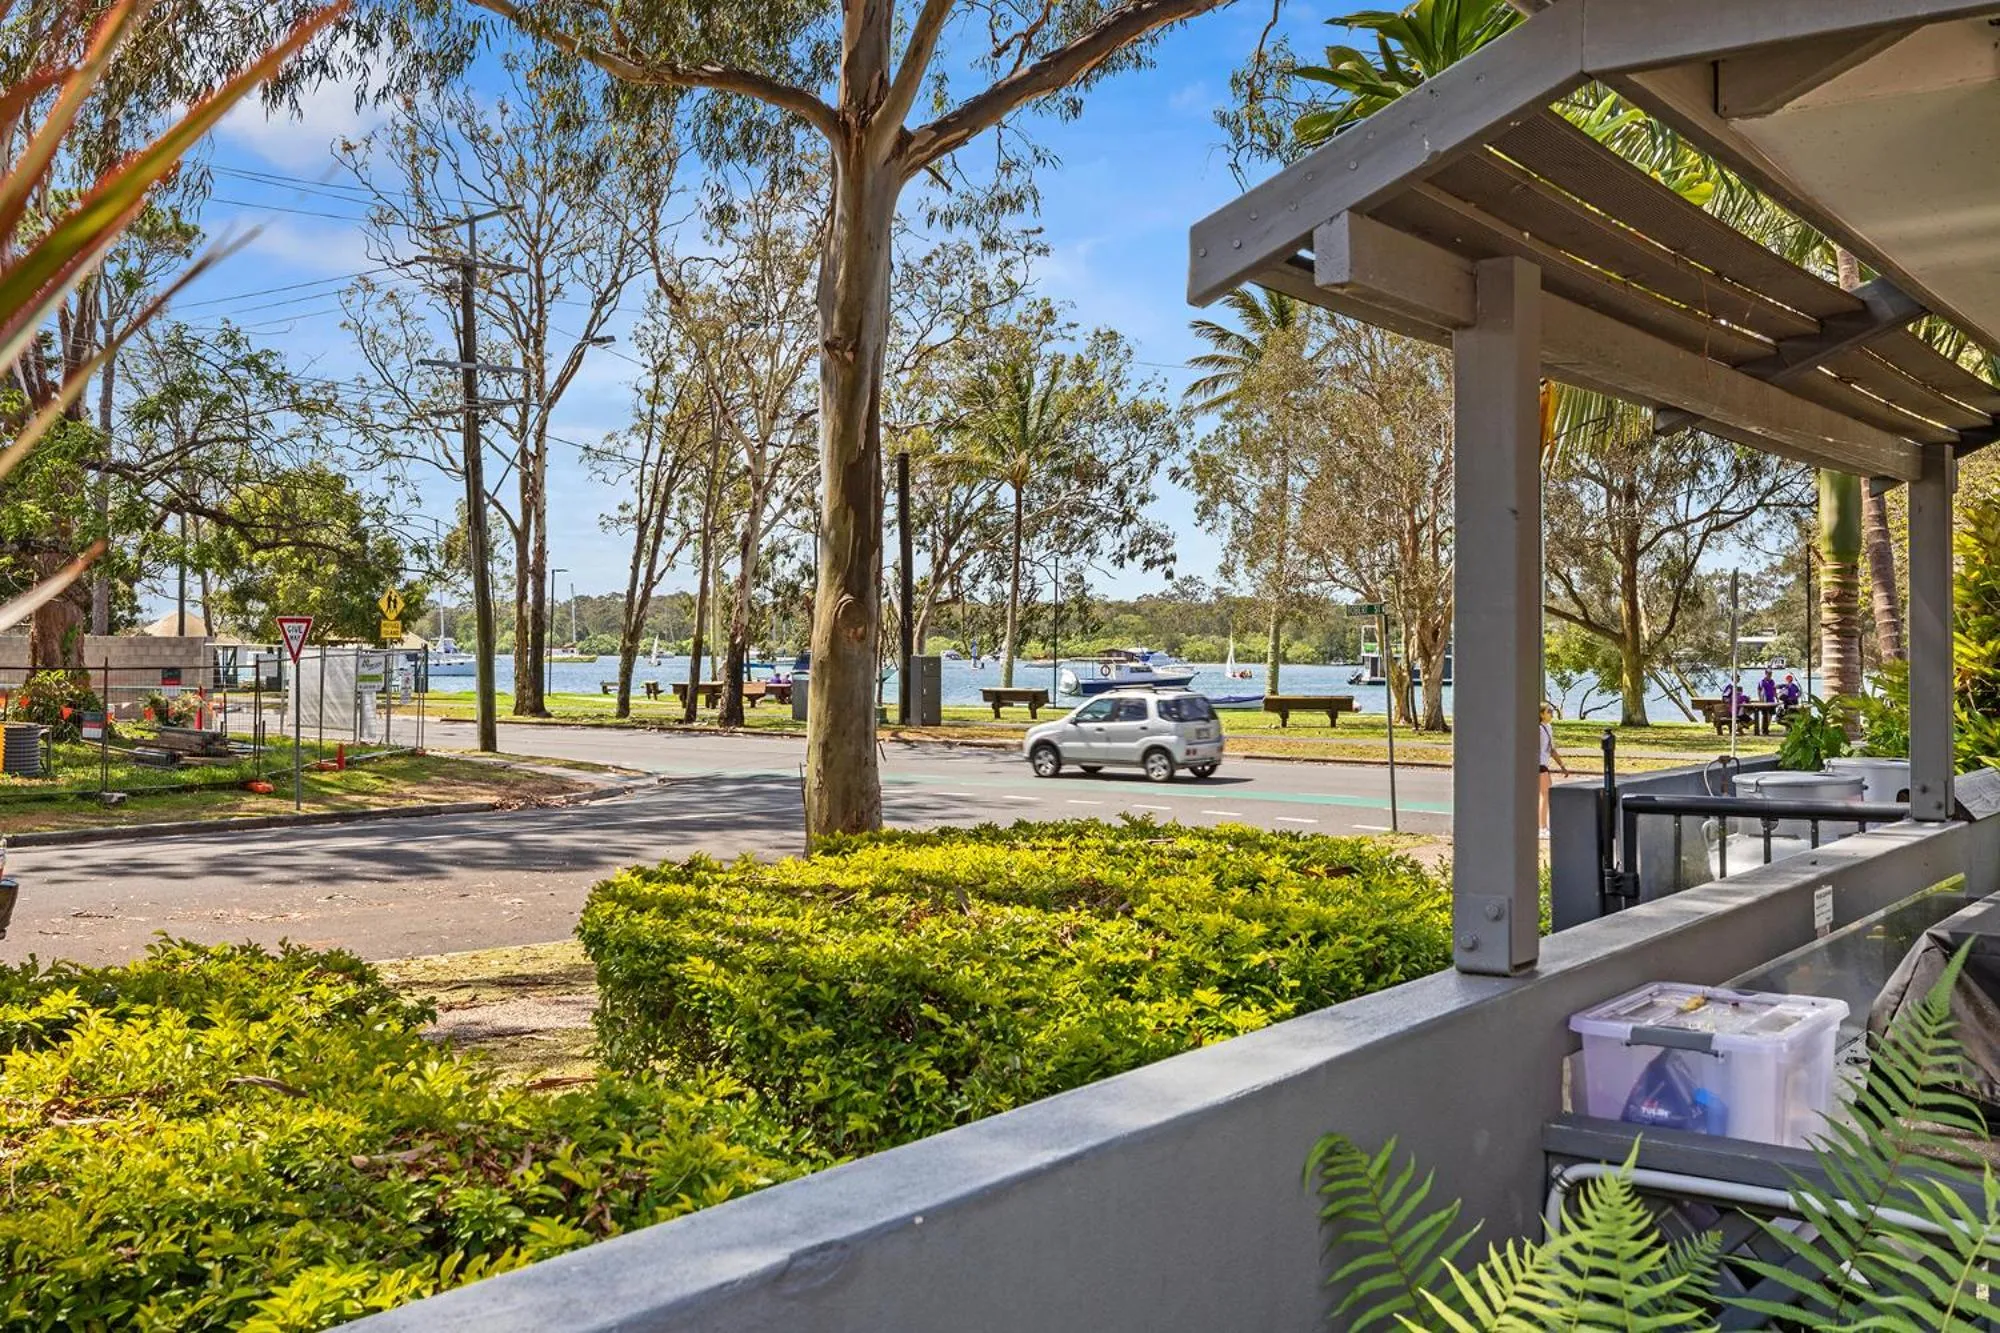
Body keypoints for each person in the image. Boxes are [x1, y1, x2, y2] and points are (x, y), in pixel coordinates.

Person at [1538, 702, 1569, 835]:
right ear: (1541, 714)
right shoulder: (1538, 729)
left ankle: (1542, 825)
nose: (1551, 713)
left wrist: (1562, 766)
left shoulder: (1548, 728)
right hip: (1538, 765)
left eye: (1551, 711)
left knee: (1545, 794)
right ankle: (1542, 827)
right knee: (1545, 794)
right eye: (1548, 711)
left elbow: (1551, 749)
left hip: (1544, 764)